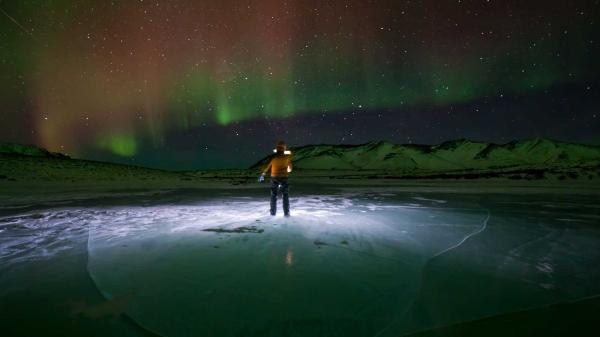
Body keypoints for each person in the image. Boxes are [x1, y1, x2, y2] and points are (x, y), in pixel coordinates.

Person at [259, 141, 293, 216]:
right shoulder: (287, 157)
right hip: (284, 177)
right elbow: (290, 169)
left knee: (273, 195)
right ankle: (286, 213)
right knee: (285, 195)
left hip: (274, 177)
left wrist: (262, 175)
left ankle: (273, 213)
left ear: (277, 148)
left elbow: (267, 166)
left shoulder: (273, 157)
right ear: (284, 148)